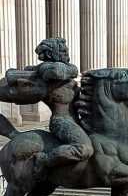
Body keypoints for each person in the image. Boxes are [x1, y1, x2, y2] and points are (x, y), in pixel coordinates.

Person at [0, 38, 93, 175]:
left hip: (77, 119)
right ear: (50, 54)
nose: (66, 54)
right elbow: (60, 72)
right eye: (62, 51)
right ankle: (44, 160)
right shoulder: (47, 70)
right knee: (84, 149)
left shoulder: (58, 70)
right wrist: (72, 69)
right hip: (62, 121)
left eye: (66, 51)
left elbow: (70, 71)